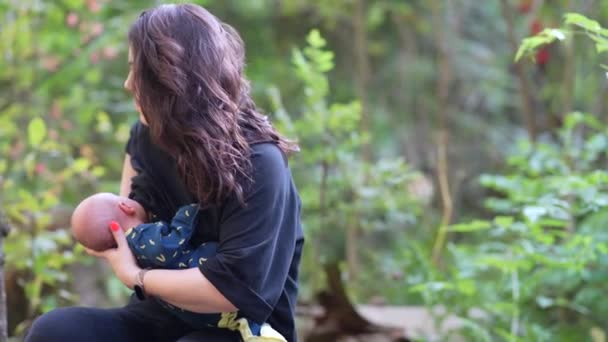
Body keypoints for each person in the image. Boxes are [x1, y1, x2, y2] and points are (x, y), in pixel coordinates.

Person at [26, 3, 303, 342]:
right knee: (56, 332)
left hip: (245, 330)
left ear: (171, 78)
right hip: (159, 317)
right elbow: (126, 219)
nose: (129, 84)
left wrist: (136, 277)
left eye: (136, 71)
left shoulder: (259, 161)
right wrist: (112, 234)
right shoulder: (145, 137)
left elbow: (233, 287)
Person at [69, 192, 286, 341]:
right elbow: (172, 242)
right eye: (121, 197)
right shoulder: (143, 237)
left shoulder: (128, 250)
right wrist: (189, 211)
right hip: (204, 279)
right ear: (125, 206)